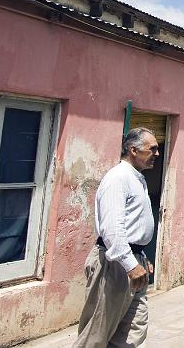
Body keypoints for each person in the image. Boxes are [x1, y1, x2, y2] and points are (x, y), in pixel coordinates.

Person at [73, 127, 158, 348]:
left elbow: (134, 225)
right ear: (133, 150)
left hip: (132, 259)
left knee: (134, 326)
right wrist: (130, 264)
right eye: (153, 149)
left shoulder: (136, 178)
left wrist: (139, 258)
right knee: (96, 334)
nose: (157, 154)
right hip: (114, 263)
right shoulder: (117, 178)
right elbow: (112, 229)